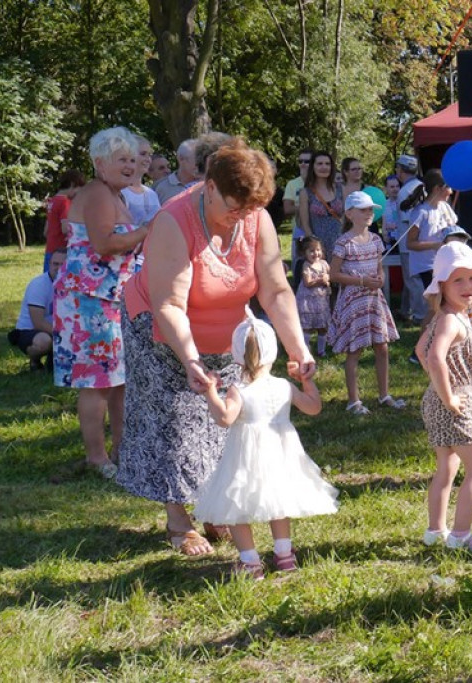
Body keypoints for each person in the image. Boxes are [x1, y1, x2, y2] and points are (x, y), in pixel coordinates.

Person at [119, 137, 314, 557]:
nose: (241, 217)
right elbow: (169, 303)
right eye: (234, 207)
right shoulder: (173, 221)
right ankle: (178, 520)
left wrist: (299, 349)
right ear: (209, 188)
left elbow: (276, 290)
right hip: (158, 328)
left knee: (221, 426)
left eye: (250, 209)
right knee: (173, 422)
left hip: (225, 331)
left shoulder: (255, 217)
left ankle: (216, 508)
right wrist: (190, 358)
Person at [193, 317, 338, 579]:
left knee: (236, 506)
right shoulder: (284, 386)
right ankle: (284, 555)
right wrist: (306, 381)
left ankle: (250, 562)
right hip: (281, 456)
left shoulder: (240, 390)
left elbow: (224, 418)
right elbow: (313, 408)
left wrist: (211, 392)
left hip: (245, 458)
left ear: (237, 357)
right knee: (278, 502)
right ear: (273, 353)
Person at [53, 127, 148, 479]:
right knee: (96, 382)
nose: (130, 165)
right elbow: (104, 245)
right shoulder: (96, 193)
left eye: (133, 158)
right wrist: (147, 229)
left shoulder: (114, 195)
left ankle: (124, 451)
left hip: (110, 300)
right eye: (120, 159)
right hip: (88, 303)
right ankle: (97, 458)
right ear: (99, 163)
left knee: (118, 379)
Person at [414, 242, 472, 555]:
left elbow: (420, 349)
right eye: (457, 280)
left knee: (446, 468)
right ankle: (461, 534)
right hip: (452, 402)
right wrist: (448, 395)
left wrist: (439, 388)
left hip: (440, 399)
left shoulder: (451, 316)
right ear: (442, 286)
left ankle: (435, 530)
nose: (468, 287)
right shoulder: (450, 319)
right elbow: (434, 356)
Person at [327, 191, 405, 414]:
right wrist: (361, 280)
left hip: (373, 299)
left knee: (382, 346)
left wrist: (381, 279)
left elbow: (379, 269)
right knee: (355, 349)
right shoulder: (344, 242)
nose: (369, 213)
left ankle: (384, 395)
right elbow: (333, 274)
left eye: (371, 209)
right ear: (350, 214)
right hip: (353, 300)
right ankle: (353, 401)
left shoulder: (377, 240)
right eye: (364, 210)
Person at [405, 168, 458, 352]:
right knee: (437, 308)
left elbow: (453, 228)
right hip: (426, 266)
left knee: (442, 307)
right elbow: (410, 243)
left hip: (442, 264)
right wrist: (434, 244)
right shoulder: (421, 213)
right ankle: (420, 349)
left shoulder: (444, 207)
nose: (451, 191)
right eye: (448, 187)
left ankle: (436, 345)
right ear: (437, 188)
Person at [10, 249, 66, 371]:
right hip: (30, 330)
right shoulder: (39, 285)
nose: (58, 268)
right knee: (44, 342)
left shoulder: (73, 285)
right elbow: (38, 322)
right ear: (49, 264)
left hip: (57, 330)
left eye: (63, 265)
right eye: (55, 264)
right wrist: (65, 336)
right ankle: (34, 361)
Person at [298, 151, 344, 268]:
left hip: (340, 243)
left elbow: (347, 217)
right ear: (313, 166)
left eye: (327, 164)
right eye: (320, 164)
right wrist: (315, 248)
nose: (324, 167)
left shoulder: (340, 189)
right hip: (319, 246)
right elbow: (305, 224)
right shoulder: (306, 193)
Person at [395, 154, 424, 321]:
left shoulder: (405, 191)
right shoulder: (421, 186)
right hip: (420, 243)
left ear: (401, 170)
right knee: (411, 279)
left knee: (413, 280)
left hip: (409, 244)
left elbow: (409, 221)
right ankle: (405, 310)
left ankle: (421, 314)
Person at [43, 170, 86, 272]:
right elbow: (66, 229)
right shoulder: (65, 202)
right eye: (80, 189)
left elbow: (46, 231)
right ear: (72, 184)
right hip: (62, 253)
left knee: (50, 281)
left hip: (50, 251)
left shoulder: (52, 201)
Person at [295, 236, 331, 357]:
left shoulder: (324, 264)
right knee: (307, 327)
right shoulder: (306, 265)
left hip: (321, 302)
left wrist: (328, 280)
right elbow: (307, 282)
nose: (316, 253)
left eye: (318, 250)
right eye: (311, 251)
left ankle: (321, 350)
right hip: (308, 302)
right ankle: (306, 350)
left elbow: (330, 276)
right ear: (304, 253)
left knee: (323, 326)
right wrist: (321, 280)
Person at [121, 136, 162, 229]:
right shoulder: (120, 192)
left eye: (149, 155)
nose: (148, 159)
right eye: (143, 154)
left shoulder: (151, 194)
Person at [284, 149, 313, 265]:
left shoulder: (321, 183)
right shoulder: (292, 184)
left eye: (307, 161)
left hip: (320, 231)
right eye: (300, 161)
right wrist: (305, 205)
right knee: (299, 266)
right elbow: (287, 209)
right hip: (300, 232)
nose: (303, 164)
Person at [153, 139, 198, 205]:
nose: (200, 165)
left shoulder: (205, 184)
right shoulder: (161, 187)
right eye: (196, 160)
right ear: (181, 159)